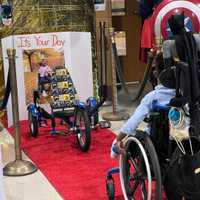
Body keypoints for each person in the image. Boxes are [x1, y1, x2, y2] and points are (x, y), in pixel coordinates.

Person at [111, 52, 176, 158]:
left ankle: (114, 150)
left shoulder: (152, 97)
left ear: (156, 74)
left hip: (157, 145)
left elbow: (132, 123)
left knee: (131, 138)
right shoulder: (186, 96)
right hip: (182, 143)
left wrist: (118, 139)